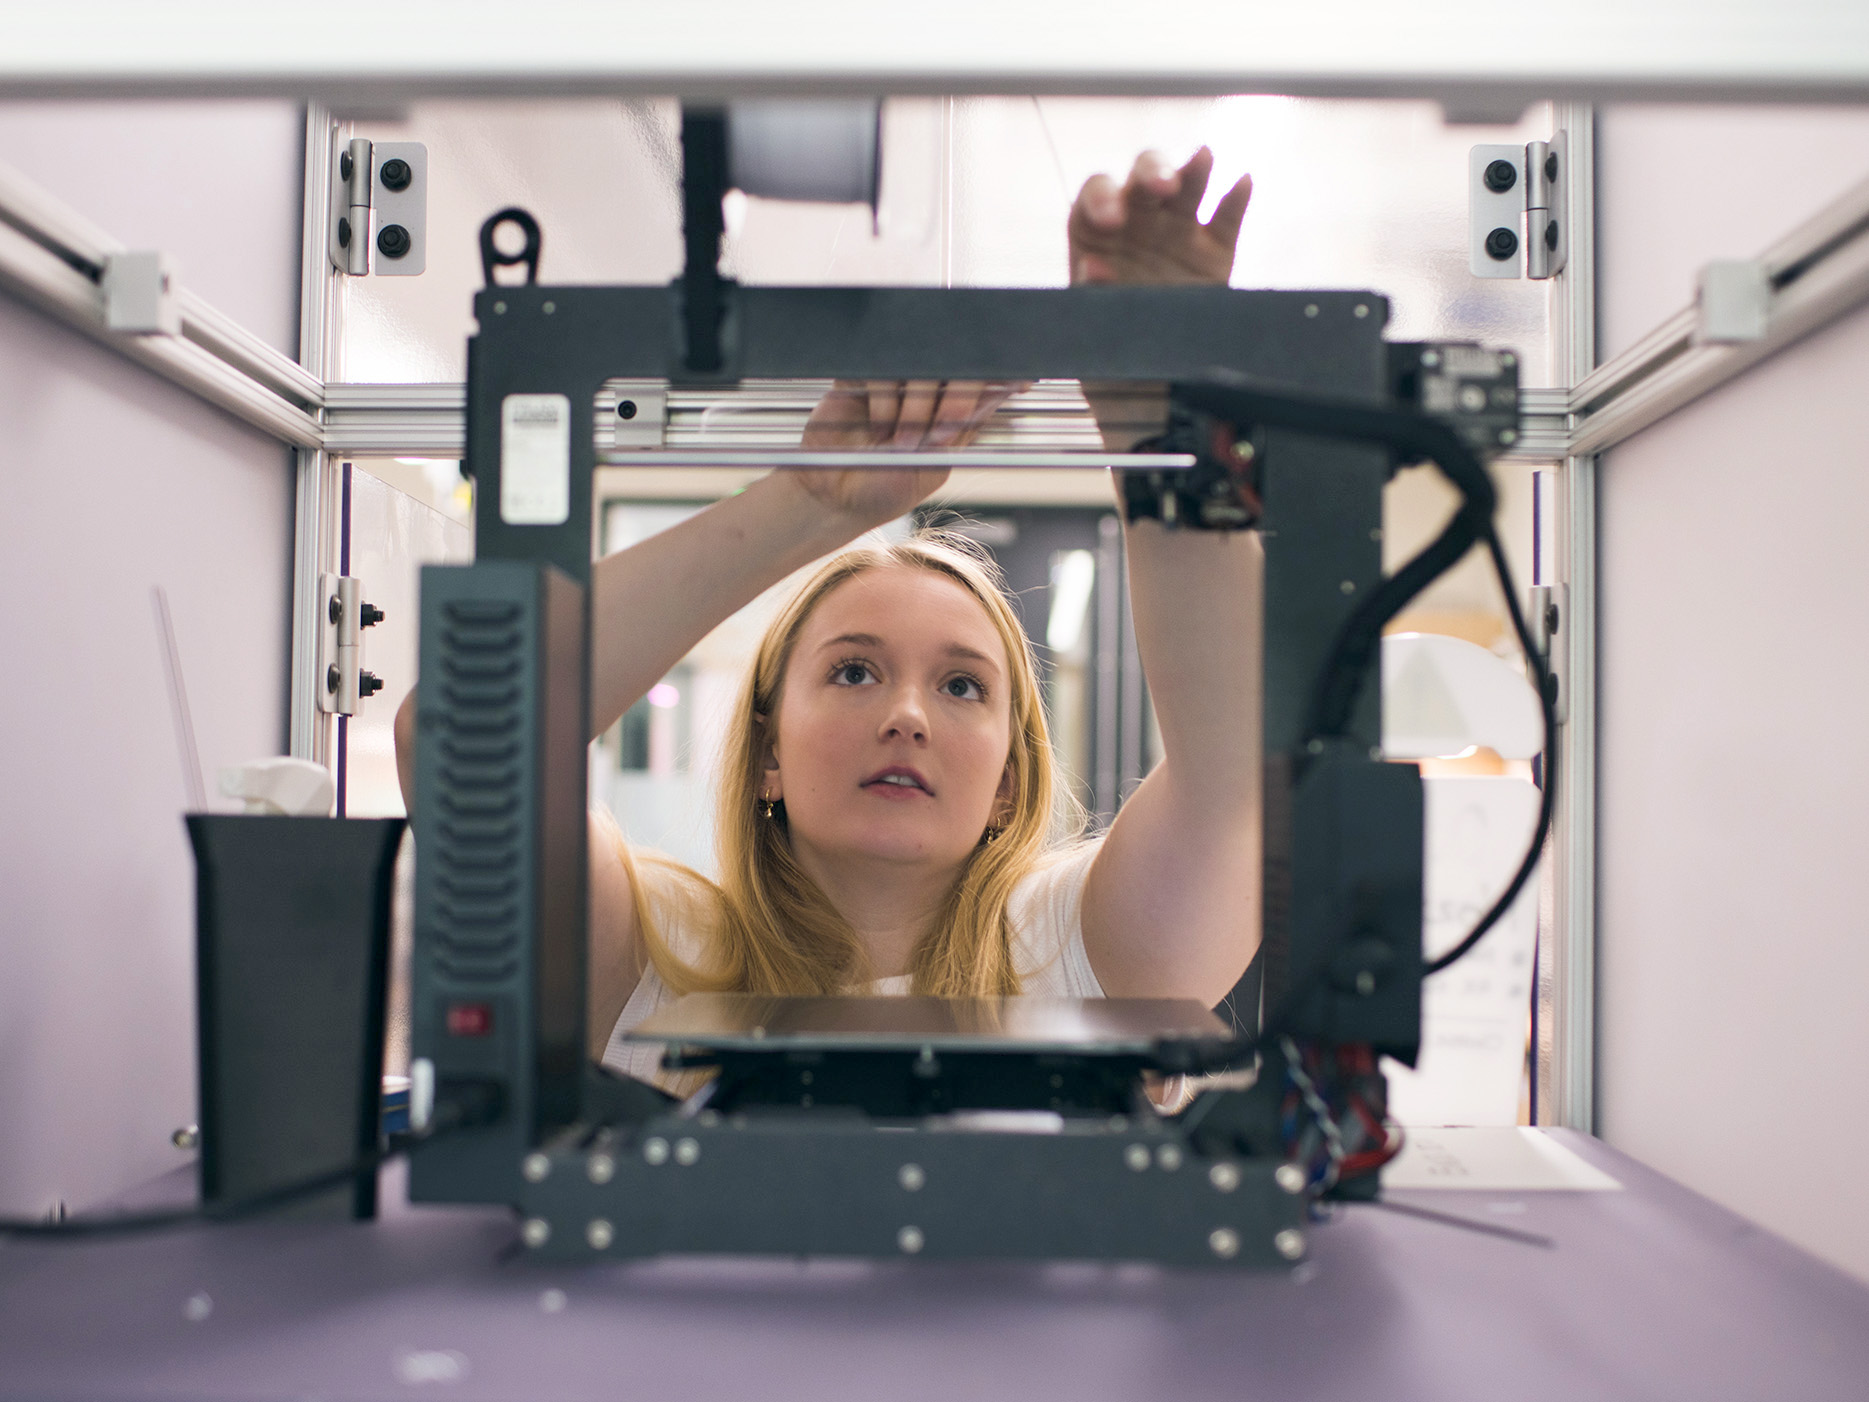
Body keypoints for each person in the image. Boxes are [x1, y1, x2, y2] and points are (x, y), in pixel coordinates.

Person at [394, 147, 1262, 1090]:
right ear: (767, 749)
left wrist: (1156, 420)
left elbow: (1239, 771)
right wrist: (809, 502)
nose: (908, 716)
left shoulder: (1081, 952)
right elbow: (466, 735)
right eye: (853, 670)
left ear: (1009, 784)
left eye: (962, 684)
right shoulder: (650, 953)